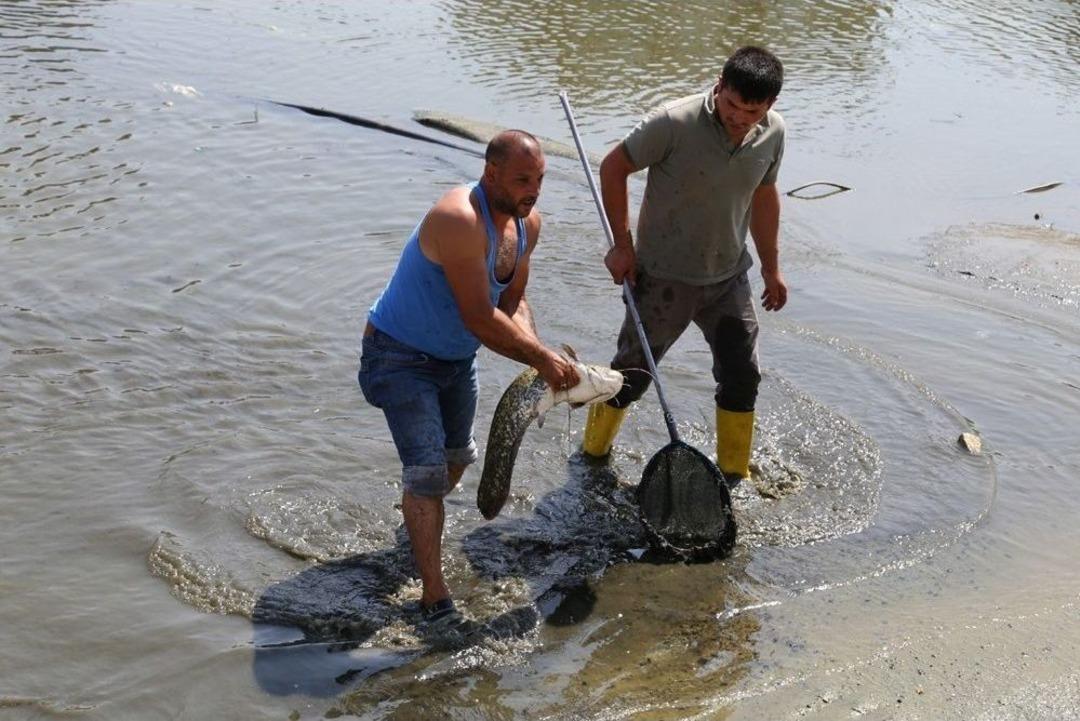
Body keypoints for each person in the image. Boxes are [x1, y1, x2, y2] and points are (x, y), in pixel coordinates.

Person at [358, 130, 580, 633]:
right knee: (427, 472)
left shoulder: (527, 225)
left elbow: (512, 305)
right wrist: (543, 359)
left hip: (455, 360)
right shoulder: (458, 218)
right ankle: (434, 598)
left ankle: (414, 525)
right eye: (522, 179)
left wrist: (543, 364)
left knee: (458, 458)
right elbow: (480, 318)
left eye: (540, 179)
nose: (533, 191)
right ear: (490, 173)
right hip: (397, 356)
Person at [582, 46, 788, 487]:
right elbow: (614, 167)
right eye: (731, 104)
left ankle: (733, 477)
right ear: (719, 85)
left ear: (770, 105)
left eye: (751, 111)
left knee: (743, 375)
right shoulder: (673, 122)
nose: (738, 118)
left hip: (728, 277)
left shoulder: (774, 132)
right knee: (631, 377)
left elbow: (764, 195)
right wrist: (622, 246)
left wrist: (771, 269)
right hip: (663, 278)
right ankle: (591, 457)